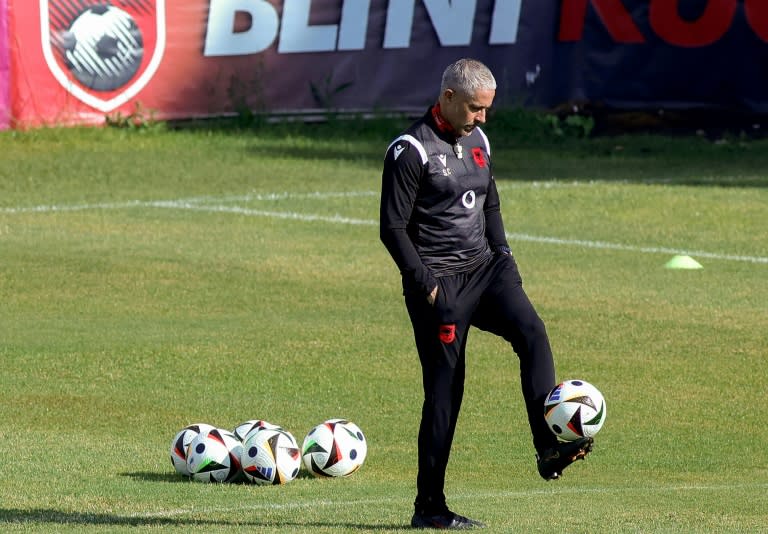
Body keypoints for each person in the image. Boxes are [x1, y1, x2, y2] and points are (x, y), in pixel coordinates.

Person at [379, 58, 594, 530]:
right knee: (445, 393)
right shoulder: (410, 149)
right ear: (449, 98)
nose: (483, 118)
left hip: (488, 270)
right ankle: (429, 507)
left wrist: (504, 254)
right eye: (476, 109)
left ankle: (548, 445)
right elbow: (391, 229)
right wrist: (428, 285)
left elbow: (490, 201)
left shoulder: (479, 140)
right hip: (440, 284)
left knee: (532, 332)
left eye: (487, 109)